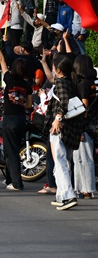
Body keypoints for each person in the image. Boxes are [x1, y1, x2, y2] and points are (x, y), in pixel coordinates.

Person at [0, 30, 32, 191]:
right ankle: (9, 179)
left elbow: (1, 58)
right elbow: (29, 105)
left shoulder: (9, 78)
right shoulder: (27, 85)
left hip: (9, 118)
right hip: (21, 119)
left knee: (11, 151)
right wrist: (19, 101)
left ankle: (16, 183)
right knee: (11, 149)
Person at [44, 54, 83, 210]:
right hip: (72, 129)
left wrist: (57, 119)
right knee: (63, 162)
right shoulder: (72, 82)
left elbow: (64, 101)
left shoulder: (60, 82)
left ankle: (68, 196)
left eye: (53, 67)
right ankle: (61, 195)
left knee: (59, 162)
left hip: (59, 128)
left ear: (58, 70)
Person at [71, 55, 96, 199]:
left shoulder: (83, 85)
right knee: (81, 158)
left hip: (84, 125)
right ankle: (81, 187)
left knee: (83, 158)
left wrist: (78, 127)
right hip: (91, 124)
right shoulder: (92, 83)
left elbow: (84, 108)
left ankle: (86, 188)